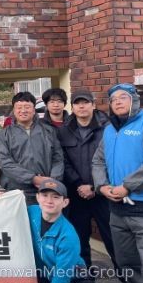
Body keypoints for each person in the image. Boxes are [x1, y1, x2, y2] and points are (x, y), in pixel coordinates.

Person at [92, 82, 143, 283]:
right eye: (113, 99)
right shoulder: (110, 130)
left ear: (135, 100)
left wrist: (127, 186)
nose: (118, 102)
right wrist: (102, 186)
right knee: (127, 263)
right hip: (118, 210)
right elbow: (98, 161)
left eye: (123, 97)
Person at [28, 179, 105, 283]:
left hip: (73, 277)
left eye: (56, 197)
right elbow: (9, 210)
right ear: (37, 197)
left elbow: (63, 274)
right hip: (44, 275)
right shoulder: (31, 212)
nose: (49, 201)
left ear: (65, 202)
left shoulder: (68, 235)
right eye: (45, 195)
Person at [57, 90, 116, 268]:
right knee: (79, 240)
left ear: (93, 105)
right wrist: (78, 184)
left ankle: (128, 280)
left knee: (113, 240)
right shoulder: (63, 131)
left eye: (85, 102)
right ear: (72, 107)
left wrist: (95, 185)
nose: (81, 106)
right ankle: (85, 279)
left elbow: (113, 160)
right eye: (77, 103)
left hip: (103, 194)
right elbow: (62, 160)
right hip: (76, 194)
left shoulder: (109, 128)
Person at [0, 91, 63, 205]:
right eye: (19, 107)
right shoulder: (5, 134)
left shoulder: (48, 130)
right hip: (17, 191)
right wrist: (32, 178)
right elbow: (6, 163)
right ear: (14, 110)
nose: (23, 111)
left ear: (34, 109)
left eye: (27, 107)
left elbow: (58, 158)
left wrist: (52, 180)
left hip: (46, 189)